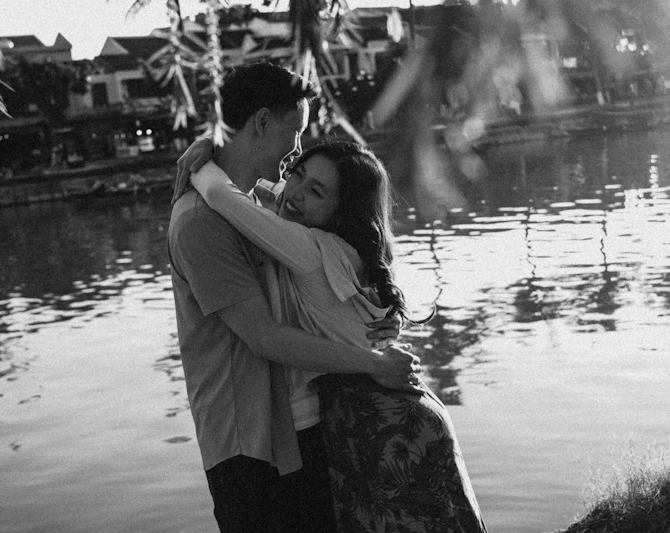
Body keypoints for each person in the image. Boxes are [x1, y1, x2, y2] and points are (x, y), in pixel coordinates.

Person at [176, 139, 488, 533]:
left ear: (340, 212)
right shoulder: (342, 245)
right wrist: (216, 145)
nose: (295, 194)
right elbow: (273, 196)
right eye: (298, 175)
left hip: (382, 423)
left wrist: (200, 161)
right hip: (398, 411)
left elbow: (224, 196)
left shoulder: (308, 248)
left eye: (316, 191)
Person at [168, 62, 420, 533]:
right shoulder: (201, 224)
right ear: (262, 122)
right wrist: (372, 361)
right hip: (251, 448)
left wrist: (383, 318)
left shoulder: (263, 205)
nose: (297, 151)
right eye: (296, 132)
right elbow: (264, 337)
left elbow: (345, 254)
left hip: (301, 430)